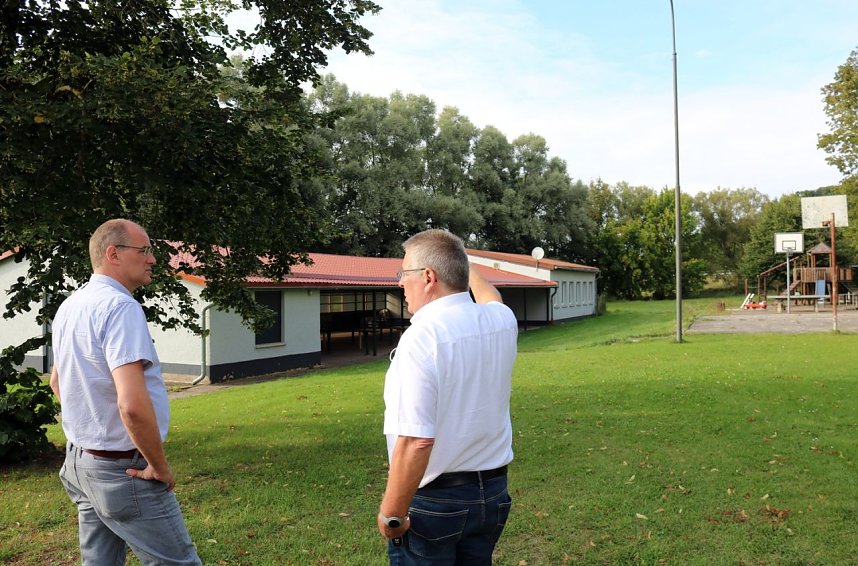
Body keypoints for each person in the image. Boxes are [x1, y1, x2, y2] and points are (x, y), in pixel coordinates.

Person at [50, 219, 201, 566]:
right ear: (113, 253)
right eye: (144, 250)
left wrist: (91, 433)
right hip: (124, 472)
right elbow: (132, 406)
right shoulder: (121, 309)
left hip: (80, 465)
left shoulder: (70, 307)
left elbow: (58, 384)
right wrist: (158, 466)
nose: (152, 259)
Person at [377, 229, 518, 565]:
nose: (399, 283)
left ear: (428, 277)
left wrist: (392, 515)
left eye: (404, 274)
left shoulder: (421, 338)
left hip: (436, 504)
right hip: (493, 496)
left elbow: (415, 441)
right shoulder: (501, 321)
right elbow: (491, 296)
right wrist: (461, 261)